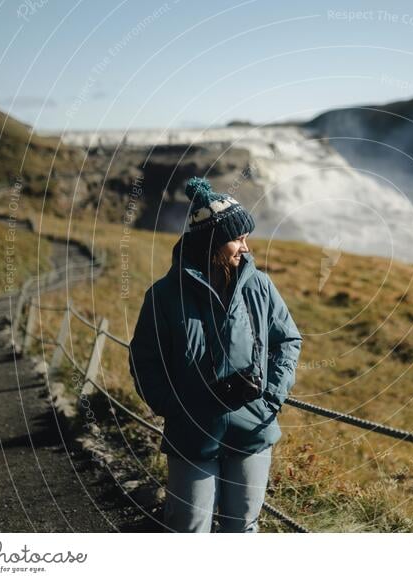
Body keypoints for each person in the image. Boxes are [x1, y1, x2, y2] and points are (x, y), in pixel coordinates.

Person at [128, 176, 302, 533]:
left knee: (242, 529)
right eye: (238, 238)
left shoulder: (261, 286)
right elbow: (144, 359)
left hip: (253, 429)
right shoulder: (164, 296)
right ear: (212, 242)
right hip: (192, 436)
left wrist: (270, 399)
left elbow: (287, 341)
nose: (246, 247)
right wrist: (173, 406)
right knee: (189, 529)